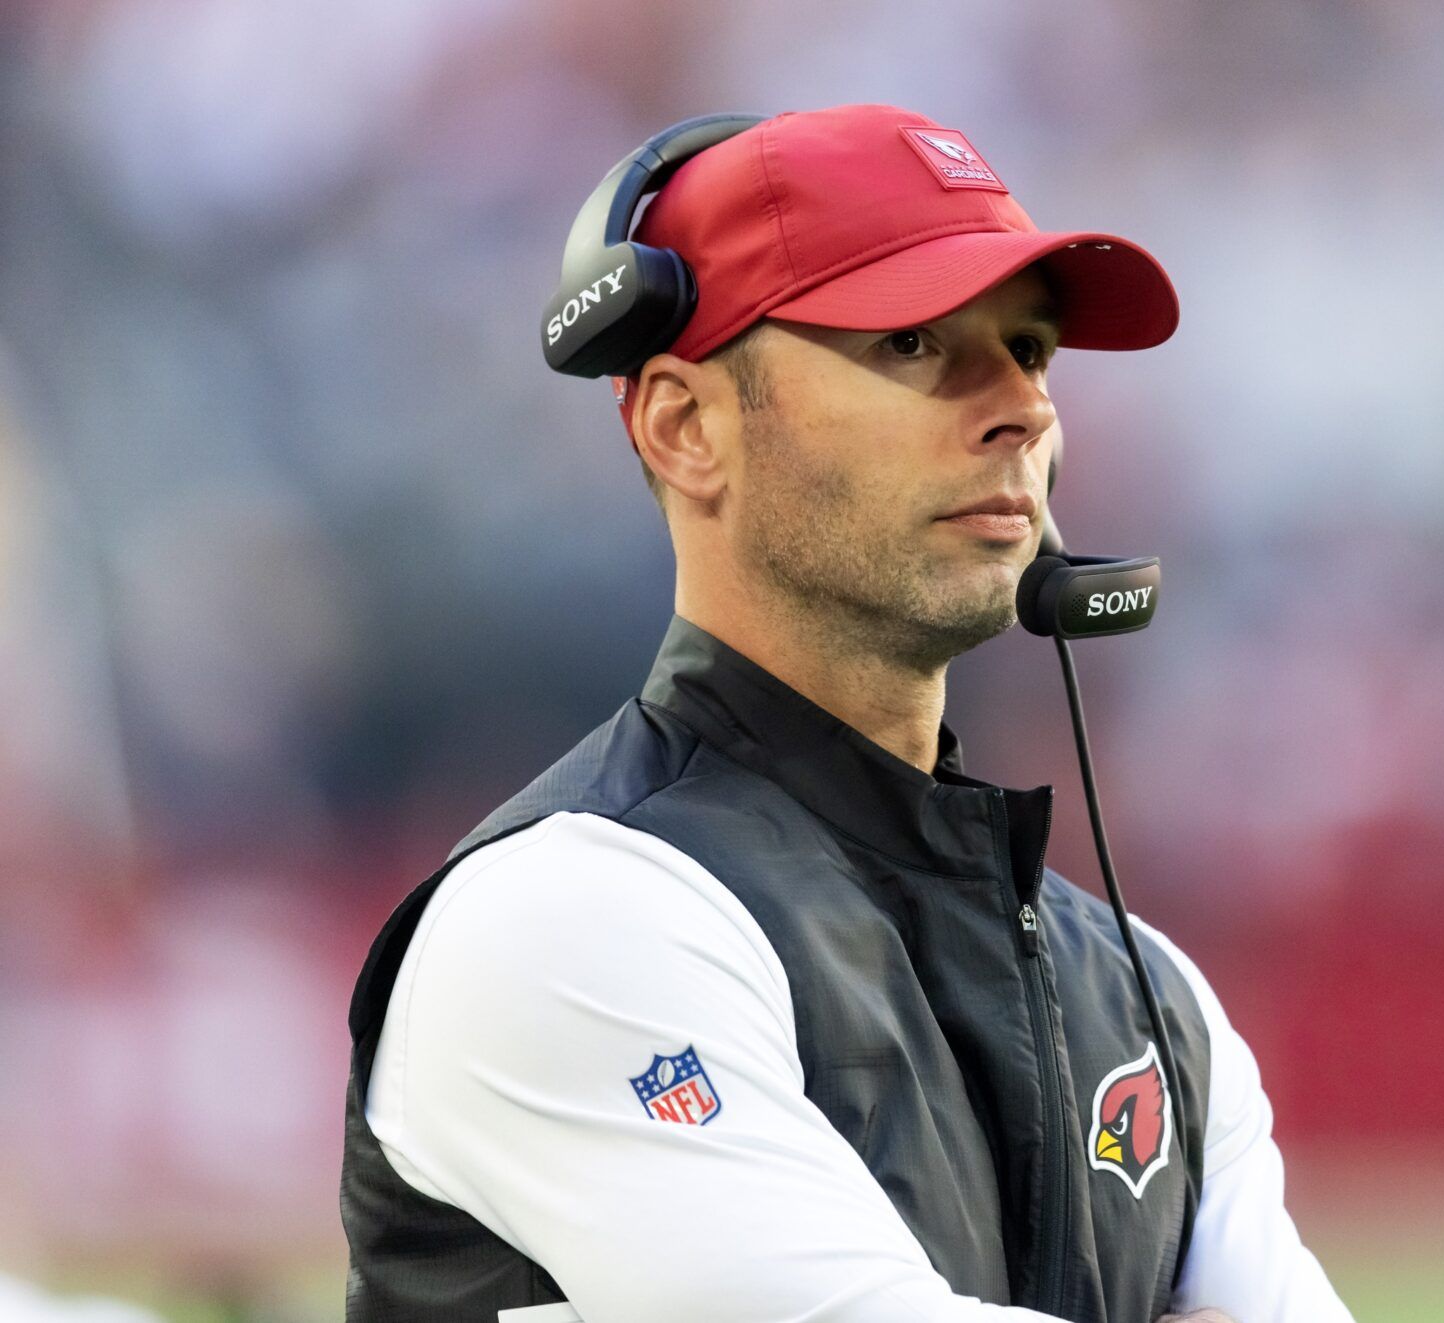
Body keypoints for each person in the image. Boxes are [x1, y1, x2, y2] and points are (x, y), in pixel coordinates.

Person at [339, 103, 1353, 1323]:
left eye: (1030, 348)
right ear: (683, 425)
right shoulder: (563, 917)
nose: (1021, 410)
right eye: (914, 342)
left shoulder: (1155, 999)